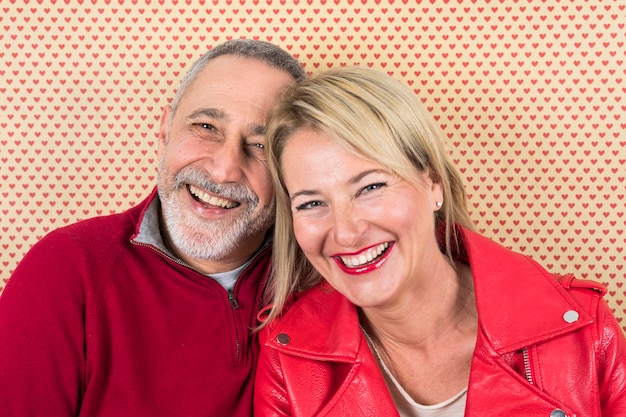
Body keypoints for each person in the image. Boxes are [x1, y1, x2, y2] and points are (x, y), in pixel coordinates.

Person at [254, 66, 626, 416]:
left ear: (432, 183)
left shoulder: (584, 331)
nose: (346, 232)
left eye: (370, 187)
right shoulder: (287, 359)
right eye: (313, 203)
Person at [0, 39, 305, 417]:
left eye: (260, 146)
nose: (223, 169)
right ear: (166, 126)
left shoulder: (322, 280)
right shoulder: (65, 268)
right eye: (206, 126)